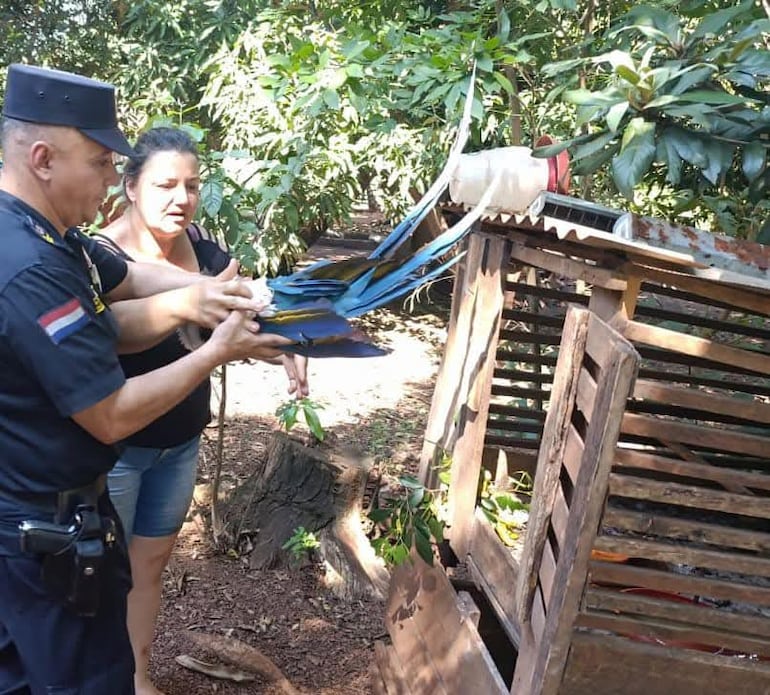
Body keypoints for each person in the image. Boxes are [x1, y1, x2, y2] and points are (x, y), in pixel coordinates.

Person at [0, 63, 295, 693]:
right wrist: (216, 351)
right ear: (45, 158)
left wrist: (226, 295)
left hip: (55, 516)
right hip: (34, 532)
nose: (112, 178)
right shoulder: (29, 268)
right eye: (102, 163)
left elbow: (129, 280)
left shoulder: (57, 237)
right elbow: (109, 412)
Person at [93, 126, 308, 695]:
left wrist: (288, 348)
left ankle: (138, 678)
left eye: (191, 185)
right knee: (104, 577)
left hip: (180, 442)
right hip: (114, 449)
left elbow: (241, 323)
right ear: (131, 188)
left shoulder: (210, 254)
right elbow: (112, 339)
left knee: (150, 568)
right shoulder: (104, 259)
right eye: (165, 184)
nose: (180, 198)